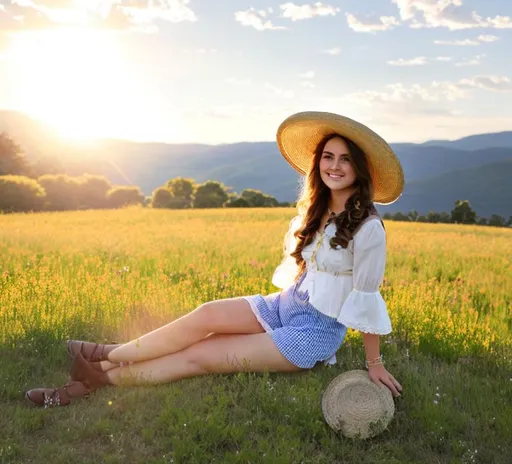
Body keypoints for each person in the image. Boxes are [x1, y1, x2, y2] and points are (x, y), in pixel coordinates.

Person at [26, 111, 405, 408]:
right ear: (317, 163)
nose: (334, 166)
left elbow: (364, 299)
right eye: (327, 157)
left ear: (359, 169)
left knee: (201, 355)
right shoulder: (317, 210)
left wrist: (374, 364)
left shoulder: (369, 228)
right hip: (284, 305)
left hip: (312, 333)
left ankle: (98, 377)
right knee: (206, 315)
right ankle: (108, 356)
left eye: (345, 160)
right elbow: (310, 272)